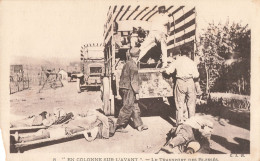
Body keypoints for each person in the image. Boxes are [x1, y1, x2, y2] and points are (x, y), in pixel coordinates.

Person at [12, 109, 116, 143]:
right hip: (67, 125)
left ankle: (22, 139)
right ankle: (21, 137)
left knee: (47, 134)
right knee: (46, 131)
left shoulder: (93, 119)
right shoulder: (92, 117)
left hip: (68, 128)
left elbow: (85, 128)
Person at [161, 48, 200, 125]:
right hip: (190, 82)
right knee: (191, 103)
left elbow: (168, 71)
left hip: (180, 82)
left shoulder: (177, 61)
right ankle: (191, 123)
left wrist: (163, 70)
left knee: (179, 103)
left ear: (180, 53)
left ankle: (179, 123)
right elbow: (196, 75)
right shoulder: (192, 62)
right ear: (188, 54)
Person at [115, 46, 148, 132]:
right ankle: (119, 126)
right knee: (127, 107)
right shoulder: (133, 66)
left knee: (134, 106)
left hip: (124, 87)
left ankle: (139, 125)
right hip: (129, 89)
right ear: (137, 56)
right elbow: (134, 81)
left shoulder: (127, 63)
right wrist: (136, 92)